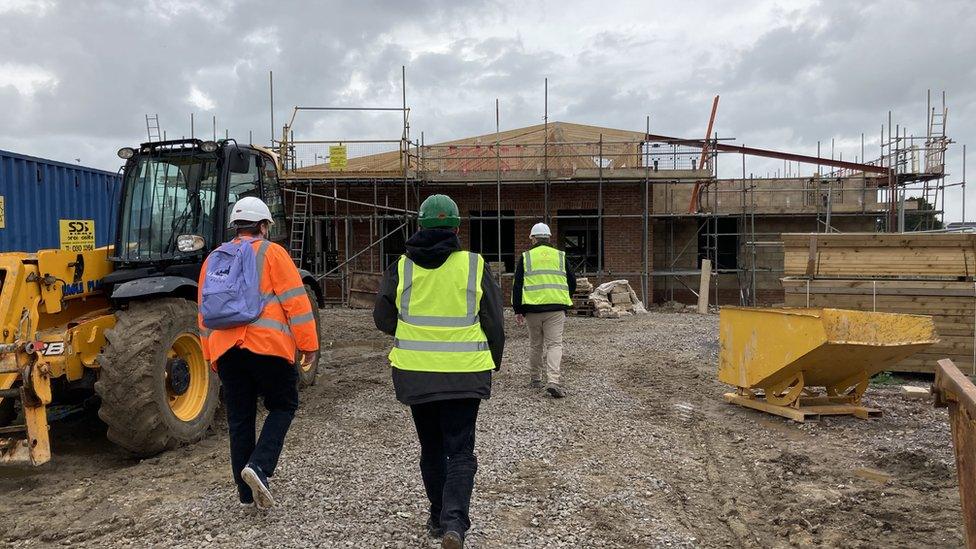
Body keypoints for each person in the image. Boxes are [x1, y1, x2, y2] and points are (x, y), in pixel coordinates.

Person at [374, 194, 505, 549]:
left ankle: (436, 516)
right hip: (465, 375)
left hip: (416, 374)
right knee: (460, 450)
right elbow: (494, 321)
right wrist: (493, 361)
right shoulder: (475, 265)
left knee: (431, 447)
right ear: (458, 228)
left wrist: (415, 330)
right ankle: (454, 524)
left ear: (420, 226)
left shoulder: (401, 267)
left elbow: (383, 318)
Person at [198, 196, 319, 510]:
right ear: (264, 226)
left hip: (226, 351)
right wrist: (308, 345)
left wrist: (209, 354)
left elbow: (204, 313)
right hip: (267, 347)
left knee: (240, 420)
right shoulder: (272, 252)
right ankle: (260, 467)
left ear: (235, 227)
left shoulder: (214, 258)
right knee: (283, 404)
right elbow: (296, 302)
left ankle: (246, 496)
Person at [512, 222, 576, 398]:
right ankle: (553, 380)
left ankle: (535, 379)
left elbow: (518, 284)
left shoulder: (526, 257)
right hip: (556, 309)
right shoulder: (561, 256)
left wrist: (518, 309)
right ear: (549, 238)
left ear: (533, 238)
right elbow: (572, 281)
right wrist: (564, 297)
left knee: (535, 344)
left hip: (532, 309)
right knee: (555, 344)